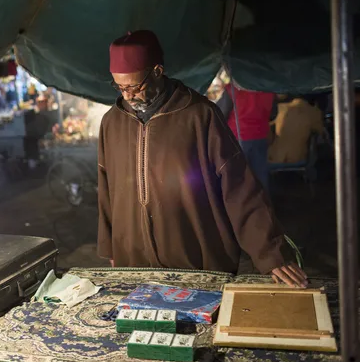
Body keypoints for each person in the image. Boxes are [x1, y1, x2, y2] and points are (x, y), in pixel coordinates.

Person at [98, 30, 307, 287]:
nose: (127, 96)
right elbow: (107, 189)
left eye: (134, 86)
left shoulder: (199, 115)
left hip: (196, 261)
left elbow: (240, 187)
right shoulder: (112, 122)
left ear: (157, 71)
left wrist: (271, 254)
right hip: (134, 262)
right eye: (119, 87)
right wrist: (111, 248)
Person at [216, 82, 276, 191]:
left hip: (238, 138)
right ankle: (262, 205)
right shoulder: (269, 89)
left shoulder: (233, 89)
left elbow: (221, 113)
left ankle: (242, 206)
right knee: (260, 175)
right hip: (260, 136)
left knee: (239, 177)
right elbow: (273, 114)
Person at [268, 97, 325, 164]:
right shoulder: (314, 112)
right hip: (297, 159)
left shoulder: (282, 108)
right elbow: (322, 134)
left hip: (273, 157)